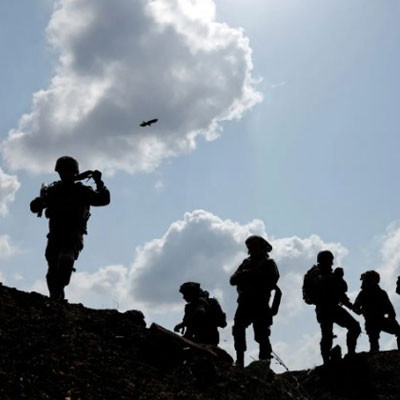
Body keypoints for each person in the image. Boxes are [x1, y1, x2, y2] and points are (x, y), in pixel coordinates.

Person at [30, 156, 110, 301]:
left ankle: (58, 292)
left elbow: (103, 200)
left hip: (73, 234)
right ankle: (56, 298)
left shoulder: (82, 191)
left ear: (73, 172)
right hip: (55, 235)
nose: (63, 174)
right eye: (61, 172)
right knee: (52, 271)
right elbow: (34, 207)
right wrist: (40, 201)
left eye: (66, 171)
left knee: (66, 259)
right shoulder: (54, 190)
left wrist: (99, 183)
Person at [230, 235, 281, 368]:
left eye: (255, 247)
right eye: (250, 247)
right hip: (245, 303)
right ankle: (239, 361)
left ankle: (264, 363)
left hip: (260, 304)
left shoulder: (269, 264)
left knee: (261, 335)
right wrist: (243, 275)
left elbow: (272, 279)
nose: (252, 250)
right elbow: (232, 280)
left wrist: (252, 275)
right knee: (238, 329)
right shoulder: (246, 263)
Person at [303, 250, 361, 364]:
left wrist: (353, 308)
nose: (331, 263)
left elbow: (340, 295)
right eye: (330, 260)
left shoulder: (330, 274)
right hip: (324, 308)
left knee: (354, 327)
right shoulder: (315, 273)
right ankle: (326, 360)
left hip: (333, 307)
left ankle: (351, 353)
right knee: (327, 335)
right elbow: (322, 284)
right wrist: (336, 277)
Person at [353, 270, 400, 352]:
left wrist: (391, 319)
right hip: (371, 321)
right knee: (374, 343)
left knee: (398, 331)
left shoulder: (380, 293)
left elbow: (390, 310)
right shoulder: (364, 293)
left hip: (380, 319)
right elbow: (356, 307)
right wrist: (360, 311)